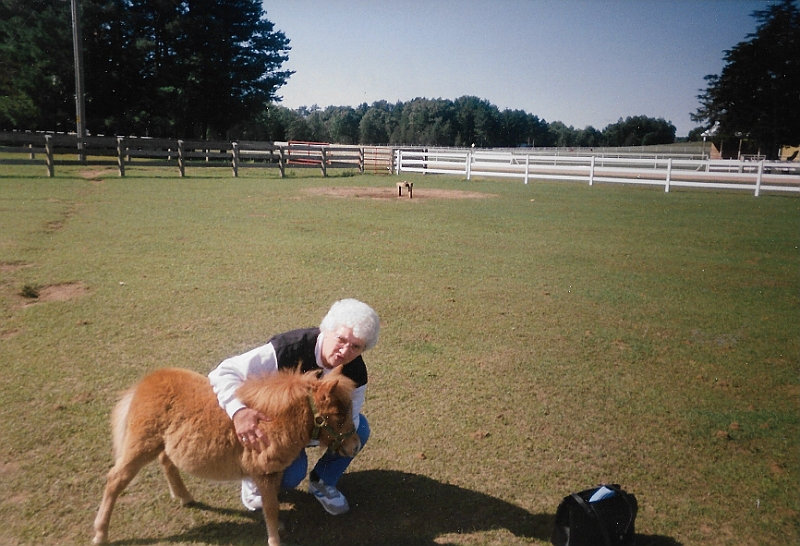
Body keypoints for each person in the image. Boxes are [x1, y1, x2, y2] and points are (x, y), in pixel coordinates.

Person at [208, 298, 379, 516]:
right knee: (290, 476)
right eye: (341, 339)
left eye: (356, 347)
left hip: (315, 429)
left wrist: (321, 433)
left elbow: (351, 417)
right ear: (327, 330)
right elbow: (223, 372)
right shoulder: (288, 348)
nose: (345, 351)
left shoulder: (356, 373)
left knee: (360, 429)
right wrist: (238, 411)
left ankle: (323, 481)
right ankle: (254, 478)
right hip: (275, 428)